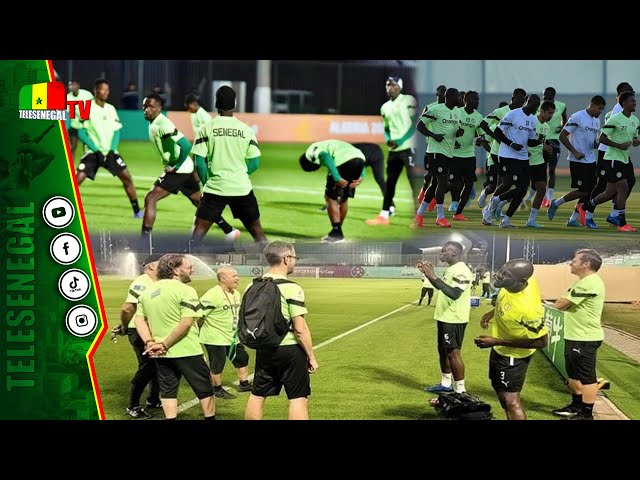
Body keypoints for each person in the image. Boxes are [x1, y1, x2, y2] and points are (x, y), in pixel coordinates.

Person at [141, 94, 239, 242]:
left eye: (150, 107)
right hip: (184, 168)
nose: (146, 110)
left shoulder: (163, 124)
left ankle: (143, 242)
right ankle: (228, 230)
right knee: (198, 202)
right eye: (144, 106)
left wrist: (176, 166)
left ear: (159, 108)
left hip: (179, 169)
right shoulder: (154, 122)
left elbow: (186, 146)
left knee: (150, 198)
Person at [134, 254, 216, 420]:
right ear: (175, 269)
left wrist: (150, 342)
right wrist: (165, 344)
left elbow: (138, 319)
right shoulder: (185, 290)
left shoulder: (147, 291)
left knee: (168, 390)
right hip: (186, 350)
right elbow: (186, 323)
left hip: (161, 352)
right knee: (205, 389)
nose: (191, 269)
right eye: (188, 266)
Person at [245, 241, 318, 420]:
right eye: (294, 258)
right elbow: (300, 329)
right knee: (298, 398)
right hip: (289, 349)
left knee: (257, 395)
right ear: (286, 259)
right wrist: (311, 356)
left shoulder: (251, 286)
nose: (294, 261)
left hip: (264, 347)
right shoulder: (292, 287)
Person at [190, 85, 267, 244]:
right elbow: (255, 162)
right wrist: (239, 175)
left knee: (197, 236)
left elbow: (200, 163)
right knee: (258, 234)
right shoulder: (246, 130)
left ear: (216, 103)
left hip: (215, 189)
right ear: (235, 104)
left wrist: (206, 183)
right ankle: (275, 265)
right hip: (241, 188)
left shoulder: (206, 128)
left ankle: (188, 267)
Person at [474, 259, 548, 420]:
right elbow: (505, 302)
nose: (498, 275)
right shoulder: (515, 283)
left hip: (514, 356)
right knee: (499, 389)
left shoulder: (529, 310)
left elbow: (542, 342)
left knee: (510, 400)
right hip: (501, 350)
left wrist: (497, 341)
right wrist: (490, 314)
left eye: (505, 274)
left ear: (521, 281)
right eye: (501, 270)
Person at [76, 78, 143, 218]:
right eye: (103, 89)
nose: (106, 92)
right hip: (93, 153)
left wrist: (112, 150)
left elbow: (116, 131)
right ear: (95, 91)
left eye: (107, 90)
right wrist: (96, 150)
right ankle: (63, 207)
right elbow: (81, 132)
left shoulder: (111, 109)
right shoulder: (85, 107)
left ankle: (137, 211)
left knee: (127, 179)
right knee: (76, 181)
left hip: (111, 153)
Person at [552, 249, 605, 420]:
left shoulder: (590, 282)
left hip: (586, 338)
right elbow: (562, 303)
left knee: (587, 377)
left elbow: (560, 304)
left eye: (574, 260)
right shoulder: (582, 282)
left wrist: (563, 301)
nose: (571, 263)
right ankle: (576, 406)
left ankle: (586, 414)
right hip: (575, 336)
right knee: (573, 374)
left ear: (586, 264)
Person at [111, 253, 163, 419]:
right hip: (140, 331)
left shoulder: (158, 282)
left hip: (151, 330)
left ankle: (153, 399)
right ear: (151, 266)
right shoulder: (142, 281)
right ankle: (133, 405)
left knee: (156, 366)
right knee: (147, 367)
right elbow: (127, 308)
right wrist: (125, 327)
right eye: (161, 263)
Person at [483, 94, 543, 228]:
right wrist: (511, 144)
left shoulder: (533, 119)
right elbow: (498, 132)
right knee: (509, 183)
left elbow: (529, 141)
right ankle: (495, 203)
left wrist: (538, 141)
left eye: (538, 106)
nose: (536, 108)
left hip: (522, 157)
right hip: (507, 155)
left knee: (522, 190)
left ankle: (505, 218)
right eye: (535, 105)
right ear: (528, 102)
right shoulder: (513, 114)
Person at [583, 91, 639, 232]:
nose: (635, 103)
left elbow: (634, 139)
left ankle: (586, 206)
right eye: (632, 101)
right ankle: (622, 223)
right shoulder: (615, 119)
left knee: (609, 193)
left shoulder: (635, 121)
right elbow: (602, 138)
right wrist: (618, 145)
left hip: (624, 159)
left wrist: (636, 141)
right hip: (613, 158)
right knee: (623, 187)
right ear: (624, 103)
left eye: (635, 100)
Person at [421, 241, 473, 394]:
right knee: (443, 350)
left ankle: (460, 391)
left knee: (452, 352)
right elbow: (442, 288)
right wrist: (429, 275)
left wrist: (434, 277)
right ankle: (445, 384)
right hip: (445, 316)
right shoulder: (452, 269)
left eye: (444, 251)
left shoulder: (462, 270)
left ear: (454, 253)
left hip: (454, 318)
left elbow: (454, 293)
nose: (441, 253)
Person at [366, 76, 418, 225]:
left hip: (409, 147)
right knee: (390, 183)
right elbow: (387, 127)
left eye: (393, 85)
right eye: (388, 85)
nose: (389, 87)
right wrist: (388, 139)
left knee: (413, 183)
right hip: (394, 150)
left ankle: (419, 217)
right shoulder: (384, 107)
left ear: (400, 87)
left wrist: (400, 141)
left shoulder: (408, 100)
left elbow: (414, 124)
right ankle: (384, 216)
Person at [548, 96, 606, 227]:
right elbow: (562, 136)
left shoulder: (596, 121)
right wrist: (575, 152)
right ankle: (556, 203)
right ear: (592, 105)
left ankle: (573, 219)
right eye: (599, 108)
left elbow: (592, 142)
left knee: (590, 191)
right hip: (577, 160)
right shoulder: (577, 116)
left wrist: (599, 145)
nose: (600, 111)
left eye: (602, 109)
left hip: (591, 160)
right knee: (583, 191)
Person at [199, 266, 253, 400]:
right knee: (218, 363)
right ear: (223, 278)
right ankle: (216, 389)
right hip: (215, 337)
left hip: (233, 336)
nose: (237, 278)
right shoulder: (212, 295)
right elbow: (198, 315)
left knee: (242, 358)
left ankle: (244, 384)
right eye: (234, 276)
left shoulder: (236, 294)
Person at [413, 88, 463, 228]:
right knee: (442, 182)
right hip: (435, 151)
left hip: (448, 152)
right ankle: (440, 217)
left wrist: (458, 135)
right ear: (450, 97)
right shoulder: (435, 110)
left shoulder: (457, 111)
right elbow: (420, 126)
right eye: (458, 96)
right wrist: (433, 135)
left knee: (435, 183)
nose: (460, 98)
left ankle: (419, 214)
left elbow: (452, 131)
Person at [299, 140, 365, 243]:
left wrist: (337, 177)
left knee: (330, 197)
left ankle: (337, 234)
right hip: (360, 160)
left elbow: (326, 157)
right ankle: (336, 232)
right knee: (344, 198)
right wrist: (362, 175)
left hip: (344, 162)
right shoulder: (329, 145)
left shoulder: (311, 151)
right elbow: (356, 154)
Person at [593, 82, 634, 226]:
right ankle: (619, 219)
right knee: (620, 186)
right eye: (630, 95)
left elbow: (629, 133)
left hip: (622, 155)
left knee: (611, 190)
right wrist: (619, 145)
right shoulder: (617, 113)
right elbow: (604, 136)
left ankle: (590, 207)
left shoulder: (632, 118)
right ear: (621, 97)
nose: (634, 99)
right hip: (611, 154)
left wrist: (633, 141)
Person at [524, 100, 556, 227]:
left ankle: (531, 220)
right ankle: (493, 205)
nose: (550, 116)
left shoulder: (546, 127)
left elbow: (540, 143)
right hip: (525, 161)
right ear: (541, 111)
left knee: (542, 188)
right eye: (549, 113)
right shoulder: (531, 121)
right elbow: (523, 139)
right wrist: (525, 152)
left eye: (552, 114)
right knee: (518, 190)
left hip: (538, 161)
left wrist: (547, 148)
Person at [541, 87, 569, 207]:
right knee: (540, 169)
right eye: (543, 95)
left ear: (552, 95)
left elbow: (565, 120)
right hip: (541, 140)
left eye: (546, 95)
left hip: (554, 141)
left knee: (551, 170)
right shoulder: (540, 106)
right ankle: (542, 196)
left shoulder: (561, 106)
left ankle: (549, 198)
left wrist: (562, 127)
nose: (544, 97)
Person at [66, 80, 94, 163]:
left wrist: (87, 117)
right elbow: (67, 112)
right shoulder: (68, 97)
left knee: (86, 146)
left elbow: (93, 107)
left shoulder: (87, 94)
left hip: (86, 126)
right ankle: (70, 166)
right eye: (70, 85)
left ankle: (87, 165)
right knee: (73, 146)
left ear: (78, 85)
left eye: (73, 85)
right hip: (74, 126)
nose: (72, 87)